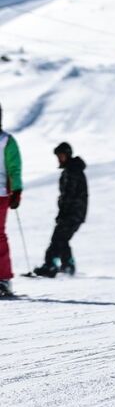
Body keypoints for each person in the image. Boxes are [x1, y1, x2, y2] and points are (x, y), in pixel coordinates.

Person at [33, 143, 88, 277]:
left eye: (61, 156)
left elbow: (69, 195)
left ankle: (52, 265)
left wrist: (63, 212)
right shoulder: (72, 169)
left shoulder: (72, 171)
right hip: (74, 212)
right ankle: (66, 266)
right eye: (58, 156)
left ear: (68, 155)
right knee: (62, 239)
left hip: (73, 212)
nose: (59, 159)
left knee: (58, 238)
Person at [0, 103, 23, 297]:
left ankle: (3, 279)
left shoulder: (6, 140)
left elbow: (14, 167)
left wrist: (16, 190)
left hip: (1, 193)